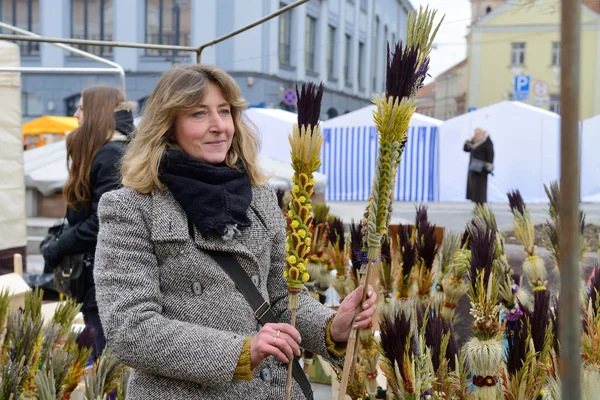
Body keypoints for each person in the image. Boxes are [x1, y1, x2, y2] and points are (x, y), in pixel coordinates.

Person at [93, 64, 377, 399]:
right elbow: (130, 329)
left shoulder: (257, 197)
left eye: (225, 112)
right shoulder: (130, 207)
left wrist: (332, 327)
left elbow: (282, 298)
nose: (219, 127)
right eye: (199, 113)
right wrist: (241, 351)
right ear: (169, 125)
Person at [42, 85, 135, 360]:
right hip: (105, 277)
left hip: (104, 279)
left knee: (105, 368)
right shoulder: (115, 150)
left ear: (95, 112)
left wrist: (59, 246)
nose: (75, 113)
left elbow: (102, 221)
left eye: (81, 107)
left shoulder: (110, 153)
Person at [464, 127, 494, 204]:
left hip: (482, 169)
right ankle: (476, 204)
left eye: (478, 133)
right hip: (473, 168)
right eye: (475, 133)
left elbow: (490, 154)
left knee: (480, 189)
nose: (476, 135)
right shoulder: (474, 142)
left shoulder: (487, 142)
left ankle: (480, 206)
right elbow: (466, 149)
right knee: (473, 188)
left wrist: (489, 165)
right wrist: (470, 140)